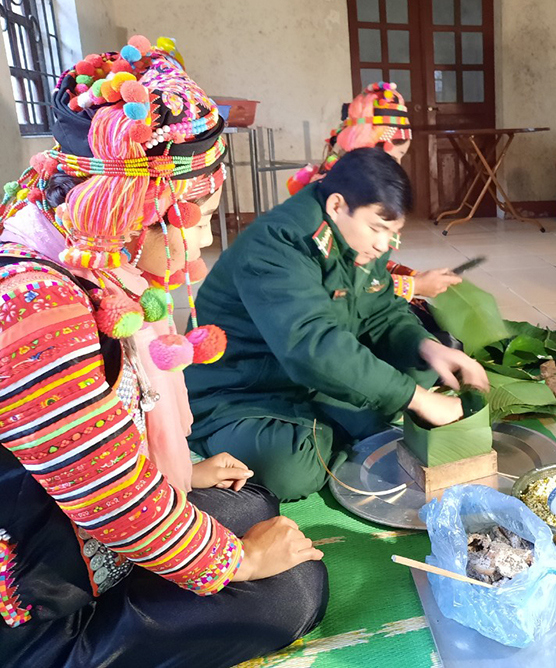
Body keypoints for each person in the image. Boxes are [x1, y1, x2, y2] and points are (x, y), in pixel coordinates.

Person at [0, 37, 326, 667]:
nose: (207, 234)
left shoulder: (79, 244)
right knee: (290, 591)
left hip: (80, 521)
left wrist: (187, 475)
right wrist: (242, 560)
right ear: (133, 210)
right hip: (45, 594)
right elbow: (104, 489)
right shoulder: (34, 302)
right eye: (196, 214)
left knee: (252, 498)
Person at [184, 147, 489, 502]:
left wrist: (427, 346)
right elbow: (312, 345)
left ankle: (338, 420)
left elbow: (380, 311)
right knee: (290, 469)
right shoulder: (277, 245)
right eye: (377, 228)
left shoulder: (361, 241)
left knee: (422, 364)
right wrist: (414, 398)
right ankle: (329, 426)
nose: (382, 244)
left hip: (310, 380)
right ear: (336, 206)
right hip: (245, 388)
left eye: (392, 232)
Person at [287, 82, 461, 305]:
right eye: (397, 156)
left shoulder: (338, 181)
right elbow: (346, 282)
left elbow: (371, 264)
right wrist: (414, 286)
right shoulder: (340, 201)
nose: (398, 166)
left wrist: (411, 275)